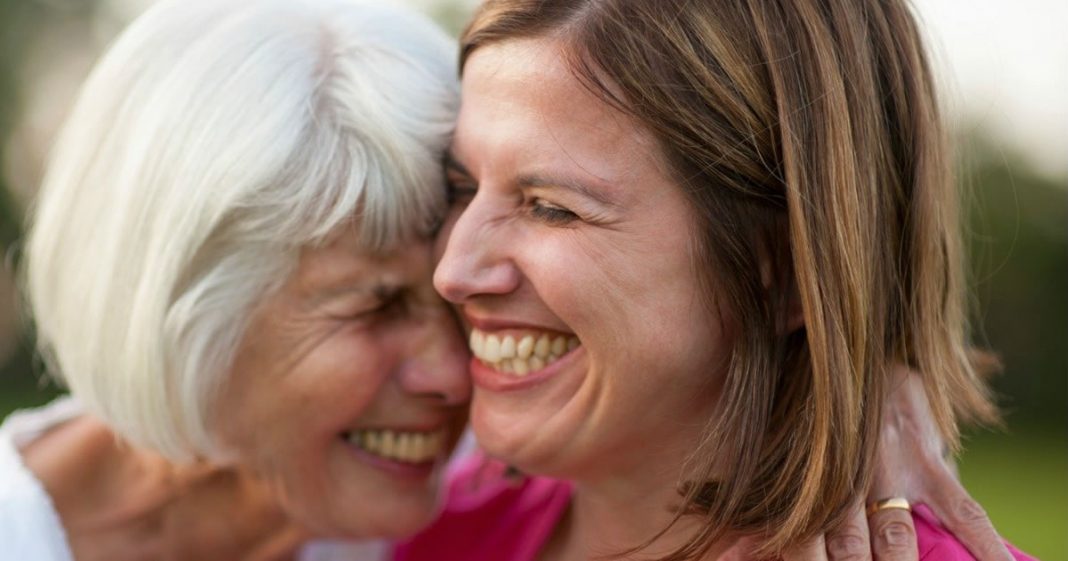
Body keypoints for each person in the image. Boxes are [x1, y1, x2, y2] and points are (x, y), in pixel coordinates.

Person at [407, 0, 1038, 559]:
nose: (452, 271)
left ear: (785, 270)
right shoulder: (421, 524)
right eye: (461, 186)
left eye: (551, 206)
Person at [4, 0, 466, 559]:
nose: (454, 375)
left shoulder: (504, 503)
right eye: (378, 306)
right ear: (186, 313)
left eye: (460, 298)